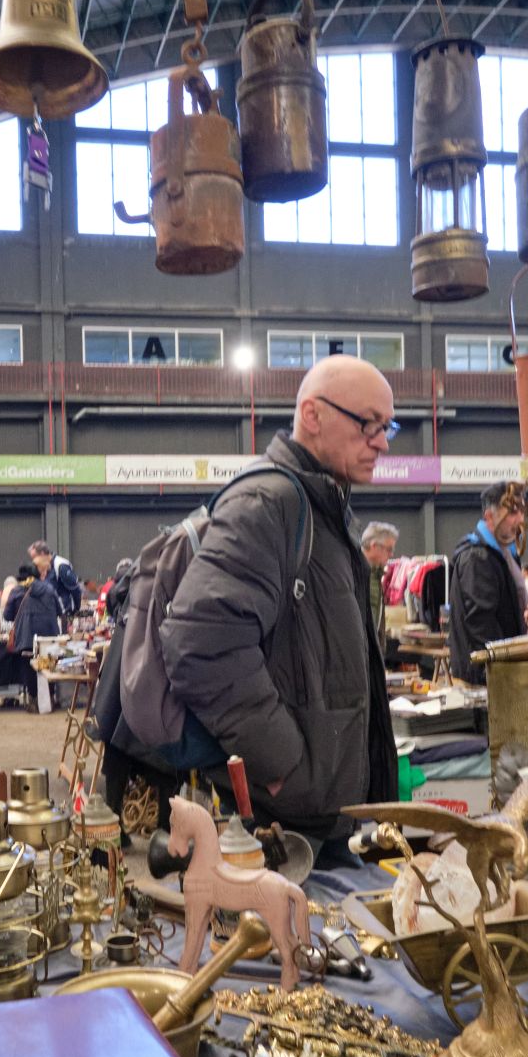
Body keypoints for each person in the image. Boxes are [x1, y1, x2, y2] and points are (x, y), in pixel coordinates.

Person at [159, 355, 400, 849]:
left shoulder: (323, 505)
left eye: (387, 425)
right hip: (280, 824)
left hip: (318, 813)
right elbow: (199, 642)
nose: (382, 441)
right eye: (368, 424)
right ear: (312, 415)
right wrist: (281, 767)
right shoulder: (269, 505)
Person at [447, 483, 526, 685]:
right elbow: (480, 623)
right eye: (512, 513)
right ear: (489, 516)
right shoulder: (477, 558)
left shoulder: (505, 554)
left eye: (522, 512)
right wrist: (504, 667)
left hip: (500, 670)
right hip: (484, 676)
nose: (520, 520)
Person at [4, 563, 63, 659]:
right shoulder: (50, 589)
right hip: (49, 640)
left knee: (26, 672)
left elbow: (7, 616)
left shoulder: (16, 591)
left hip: (25, 640)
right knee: (48, 670)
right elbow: (59, 612)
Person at [360, 521, 399, 646]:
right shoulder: (354, 572)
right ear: (374, 545)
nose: (391, 554)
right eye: (389, 549)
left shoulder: (376, 575)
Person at [28, 541, 83, 618]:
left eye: (35, 557)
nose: (33, 560)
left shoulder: (61, 565)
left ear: (43, 553)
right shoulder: (40, 567)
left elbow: (75, 589)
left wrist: (76, 609)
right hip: (50, 612)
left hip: (65, 612)